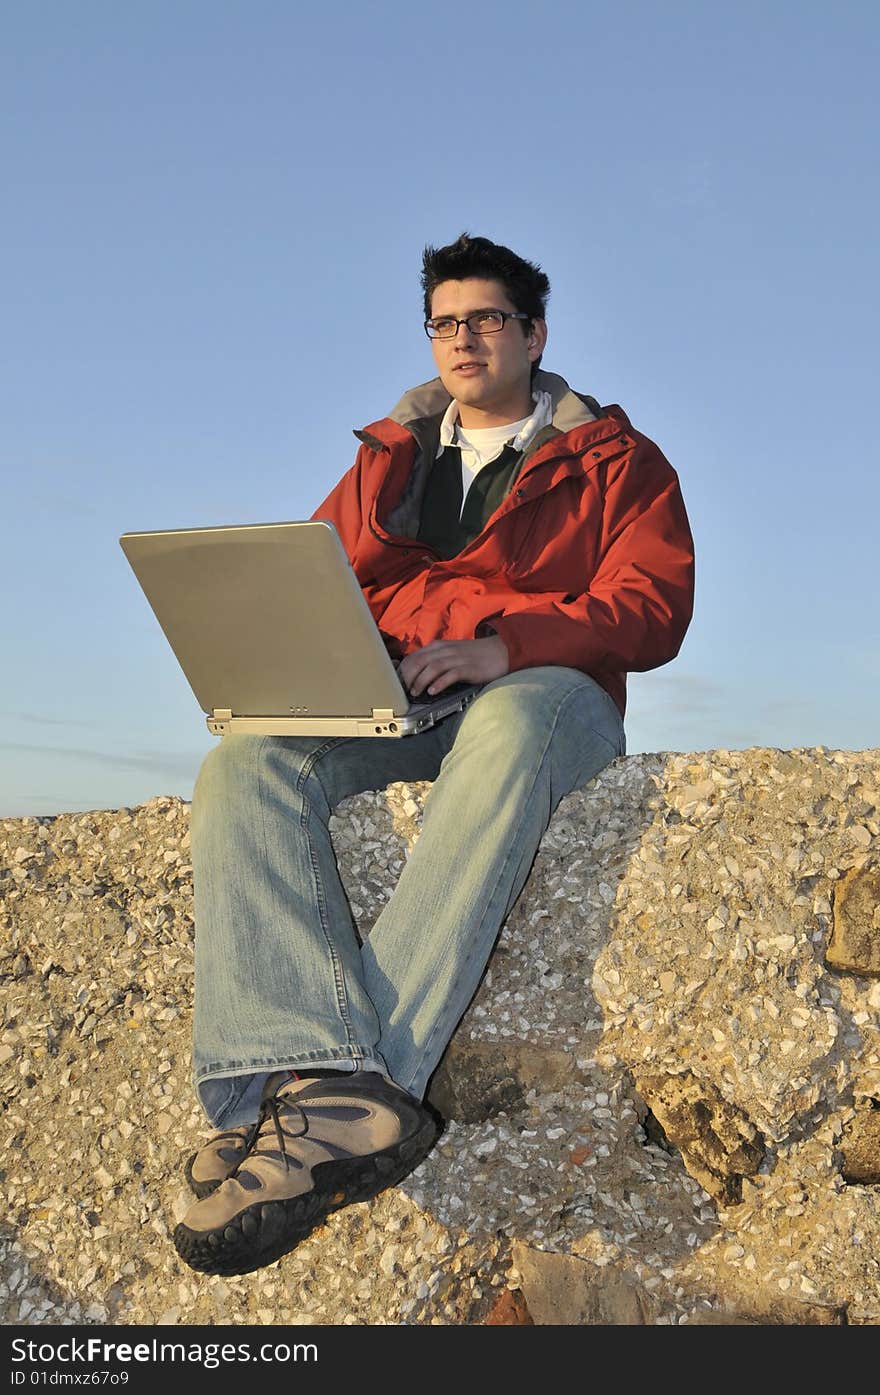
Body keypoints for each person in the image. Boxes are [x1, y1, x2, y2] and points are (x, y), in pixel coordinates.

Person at [172, 233, 695, 1276]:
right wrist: (291, 663)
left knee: (504, 723)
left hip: (546, 695)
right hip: (400, 698)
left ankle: (359, 1095)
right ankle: (294, 1070)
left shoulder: (616, 460)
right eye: (445, 322)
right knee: (245, 763)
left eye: (487, 318)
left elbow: (652, 609)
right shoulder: (388, 458)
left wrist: (508, 645)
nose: (463, 338)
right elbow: (316, 581)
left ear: (534, 334)